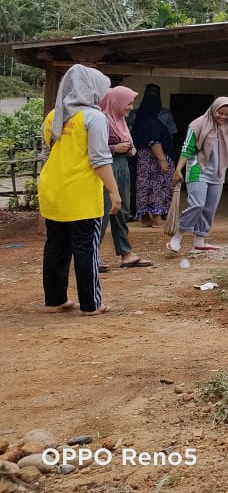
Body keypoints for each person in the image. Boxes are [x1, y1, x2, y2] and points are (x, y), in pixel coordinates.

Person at [39, 64, 121, 315]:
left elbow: (46, 153)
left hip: (53, 190)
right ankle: (91, 304)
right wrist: (114, 192)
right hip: (81, 195)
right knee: (86, 248)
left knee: (56, 246)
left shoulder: (55, 115)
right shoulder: (93, 117)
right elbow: (100, 159)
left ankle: (55, 300)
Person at [170, 97, 228, 253]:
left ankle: (199, 241)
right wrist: (178, 169)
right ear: (213, 109)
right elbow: (187, 148)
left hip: (218, 173)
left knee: (209, 208)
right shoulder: (198, 124)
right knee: (197, 204)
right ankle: (178, 235)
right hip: (197, 169)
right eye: (220, 113)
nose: (224, 117)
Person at [97, 85, 151, 270]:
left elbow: (126, 141)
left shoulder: (120, 120)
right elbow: (92, 148)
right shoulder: (101, 120)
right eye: (128, 103)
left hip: (122, 166)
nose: (129, 107)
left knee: (123, 210)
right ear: (116, 101)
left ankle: (126, 253)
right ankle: (92, 255)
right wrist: (114, 148)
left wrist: (131, 149)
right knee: (104, 210)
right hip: (106, 166)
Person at [131, 90, 175, 229]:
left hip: (142, 160)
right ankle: (157, 219)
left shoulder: (139, 120)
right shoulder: (152, 122)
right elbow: (154, 142)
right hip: (154, 161)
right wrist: (162, 161)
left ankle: (145, 216)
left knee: (144, 187)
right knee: (157, 188)